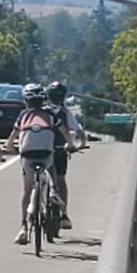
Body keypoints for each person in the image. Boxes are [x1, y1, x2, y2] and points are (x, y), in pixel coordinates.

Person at [6, 83, 76, 245]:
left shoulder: (23, 116)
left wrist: (9, 146)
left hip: (27, 154)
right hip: (46, 152)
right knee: (51, 166)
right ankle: (52, 190)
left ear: (26, 101)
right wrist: (70, 144)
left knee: (26, 189)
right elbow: (65, 131)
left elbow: (13, 135)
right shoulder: (51, 115)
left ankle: (23, 227)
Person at [46, 81, 87, 230]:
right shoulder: (65, 113)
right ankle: (64, 214)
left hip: (42, 149)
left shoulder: (41, 111)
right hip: (59, 150)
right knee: (61, 179)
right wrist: (78, 145)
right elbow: (80, 133)